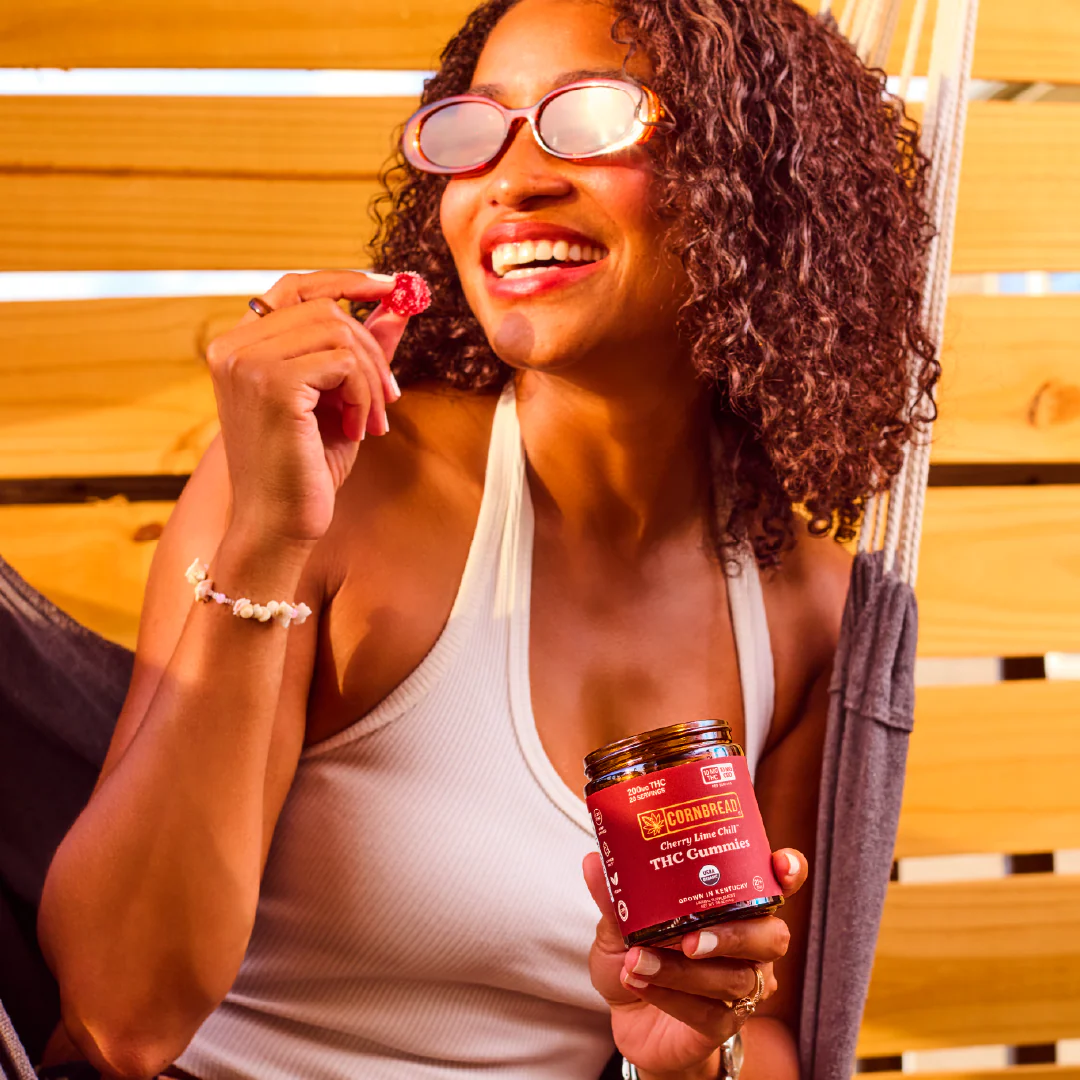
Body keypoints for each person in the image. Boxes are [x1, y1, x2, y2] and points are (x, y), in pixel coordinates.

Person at [34, 0, 937, 1077]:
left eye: (591, 117)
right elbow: (117, 1022)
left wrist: (688, 1054)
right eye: (476, 129)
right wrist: (267, 545)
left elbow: (769, 1033)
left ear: (761, 186)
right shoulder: (335, 482)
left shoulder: (810, 616)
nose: (513, 179)